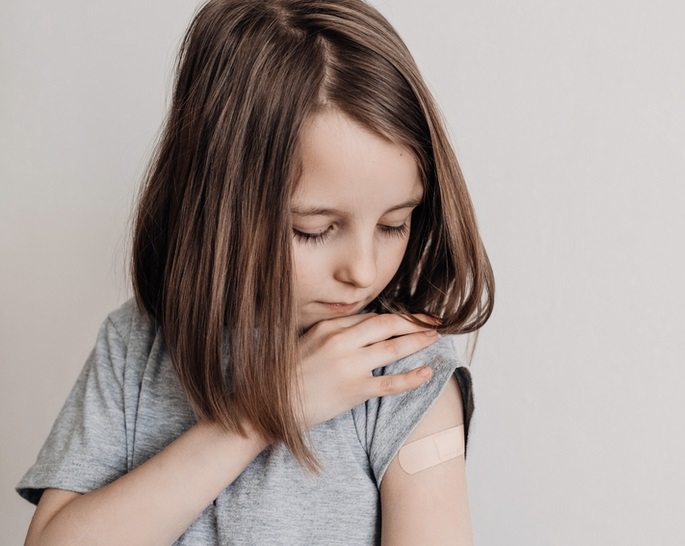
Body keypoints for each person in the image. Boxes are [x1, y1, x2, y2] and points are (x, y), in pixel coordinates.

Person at [16, 0, 494, 544]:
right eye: (312, 230)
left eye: (394, 223)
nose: (363, 271)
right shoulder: (136, 348)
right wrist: (264, 414)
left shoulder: (404, 371)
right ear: (218, 204)